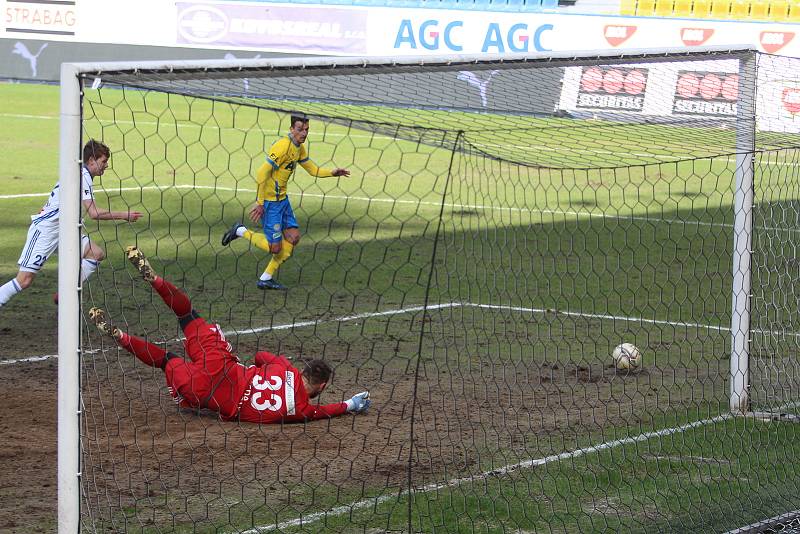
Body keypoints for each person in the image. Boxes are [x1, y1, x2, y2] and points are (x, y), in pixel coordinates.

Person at [89, 246, 371, 423]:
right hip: (209, 394)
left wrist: (270, 369)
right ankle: (122, 337)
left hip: (224, 367)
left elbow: (260, 356)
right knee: (166, 359)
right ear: (320, 387)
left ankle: (157, 280)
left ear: (303, 369)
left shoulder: (285, 368)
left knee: (187, 315)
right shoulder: (299, 410)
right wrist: (350, 405)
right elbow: (326, 412)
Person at [0, 139, 142, 309]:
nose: (106, 166)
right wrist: (124, 215)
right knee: (24, 280)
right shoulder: (82, 176)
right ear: (91, 161)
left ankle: (65, 294)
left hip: (65, 230)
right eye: (104, 161)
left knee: (95, 254)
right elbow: (94, 213)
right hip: (47, 232)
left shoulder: (80, 174)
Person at [221, 113, 350, 290]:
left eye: (306, 130)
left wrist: (332, 172)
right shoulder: (282, 147)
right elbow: (261, 173)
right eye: (299, 129)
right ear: (291, 129)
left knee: (293, 237)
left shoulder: (299, 148)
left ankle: (265, 278)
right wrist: (260, 202)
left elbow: (312, 169)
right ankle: (240, 230)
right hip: (269, 203)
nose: (303, 133)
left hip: (283, 201)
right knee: (275, 248)